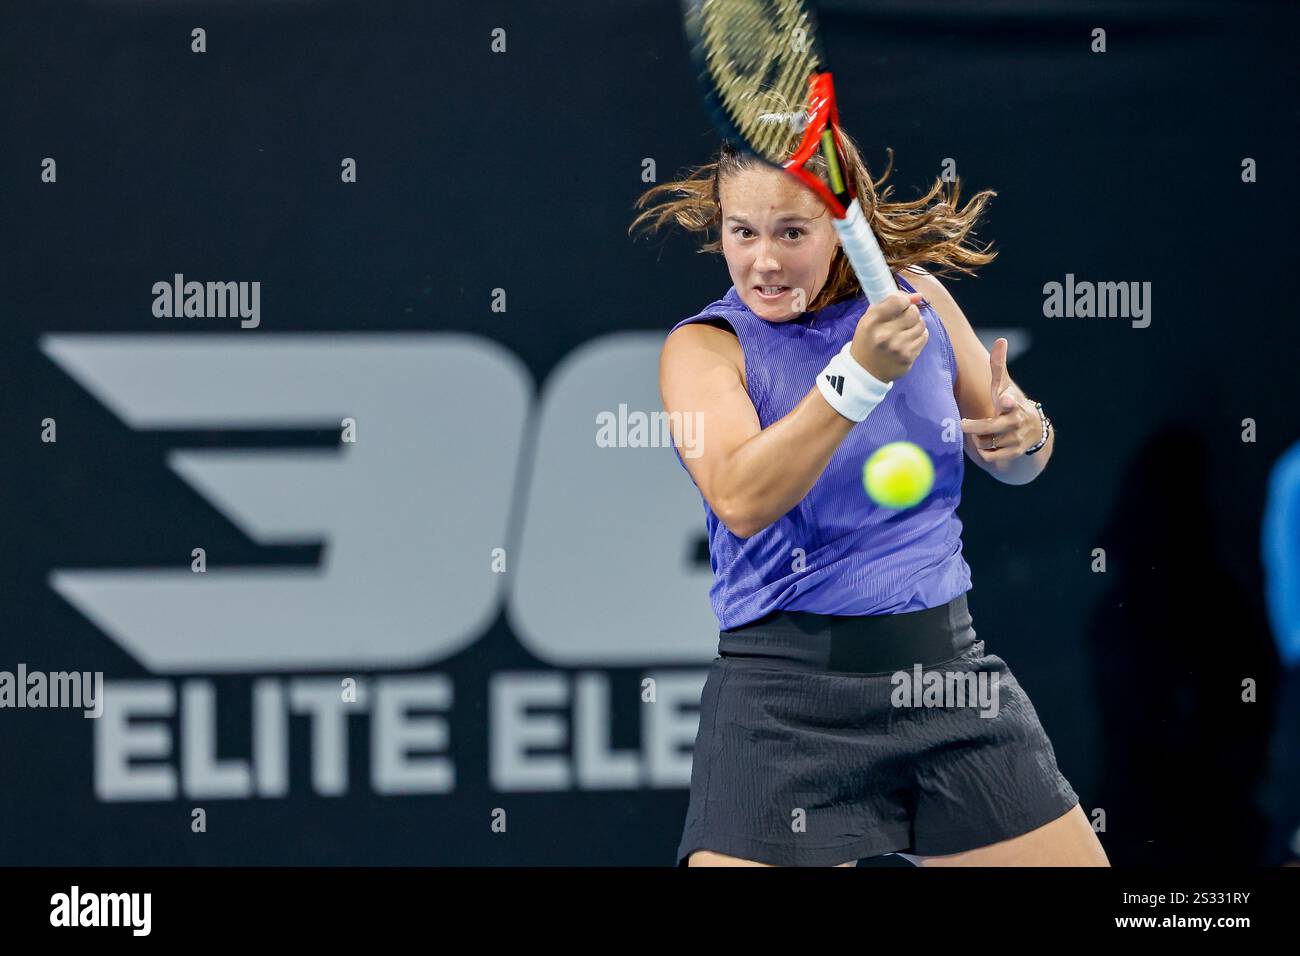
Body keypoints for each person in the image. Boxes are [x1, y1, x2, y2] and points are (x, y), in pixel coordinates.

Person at [629, 131, 1109, 867]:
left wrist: (1027, 432)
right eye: (742, 232)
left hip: (947, 680)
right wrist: (857, 375)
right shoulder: (704, 348)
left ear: (841, 223)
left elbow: (1018, 460)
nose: (764, 260)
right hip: (782, 708)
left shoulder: (916, 299)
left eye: (793, 231)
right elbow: (741, 497)